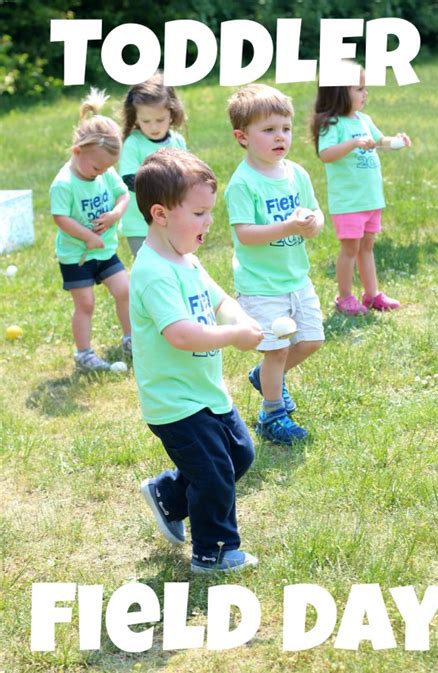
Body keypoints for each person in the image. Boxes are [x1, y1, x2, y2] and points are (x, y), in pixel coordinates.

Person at [130, 148, 263, 574]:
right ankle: (215, 552)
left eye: (210, 212)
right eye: (200, 213)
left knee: (239, 456)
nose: (209, 222)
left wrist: (241, 320)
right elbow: (182, 334)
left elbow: (219, 298)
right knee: (212, 474)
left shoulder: (185, 259)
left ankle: (169, 495)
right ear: (161, 214)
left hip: (205, 392)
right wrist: (234, 337)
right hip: (175, 401)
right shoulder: (153, 272)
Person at [225, 84, 325, 446]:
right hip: (260, 283)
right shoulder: (242, 183)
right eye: (268, 130)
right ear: (243, 137)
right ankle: (272, 414)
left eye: (285, 128)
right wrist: (288, 226)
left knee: (312, 340)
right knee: (277, 349)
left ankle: (265, 375)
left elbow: (315, 213)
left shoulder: (297, 173)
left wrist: (314, 223)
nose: (280, 136)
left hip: (296, 277)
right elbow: (245, 234)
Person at [311, 63, 411, 316]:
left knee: (367, 247)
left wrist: (396, 142)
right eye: (360, 88)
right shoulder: (332, 124)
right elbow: (325, 154)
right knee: (350, 249)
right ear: (339, 92)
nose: (365, 93)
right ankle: (344, 297)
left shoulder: (364, 120)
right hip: (349, 202)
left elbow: (380, 141)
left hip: (370, 199)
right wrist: (354, 142)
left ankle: (372, 294)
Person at [50, 88, 131, 372]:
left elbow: (124, 195)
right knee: (85, 304)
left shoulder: (105, 172)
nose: (102, 172)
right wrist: (88, 236)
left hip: (105, 250)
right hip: (77, 255)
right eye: (97, 166)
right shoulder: (64, 184)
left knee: (126, 291)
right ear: (77, 151)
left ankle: (131, 339)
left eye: (108, 167)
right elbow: (61, 219)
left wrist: (115, 214)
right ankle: (84, 354)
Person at [120, 72, 187, 257]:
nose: (154, 127)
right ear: (135, 117)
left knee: (174, 262)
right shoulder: (133, 143)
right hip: (139, 224)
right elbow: (129, 179)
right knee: (148, 266)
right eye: (146, 121)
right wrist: (162, 190)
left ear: (172, 114)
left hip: (172, 220)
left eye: (160, 120)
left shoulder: (178, 141)